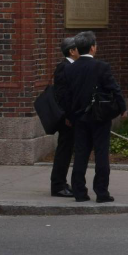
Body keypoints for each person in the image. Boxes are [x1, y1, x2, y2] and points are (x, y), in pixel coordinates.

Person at [58, 30, 125, 204]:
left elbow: (65, 95)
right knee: (101, 154)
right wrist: (122, 107)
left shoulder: (70, 68)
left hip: (79, 118)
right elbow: (114, 88)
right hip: (100, 117)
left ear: (78, 49)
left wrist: (69, 115)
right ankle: (101, 192)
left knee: (80, 154)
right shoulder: (101, 67)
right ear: (93, 48)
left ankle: (80, 191)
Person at [48, 36, 79, 197]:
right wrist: (68, 116)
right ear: (71, 51)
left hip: (70, 117)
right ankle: (58, 185)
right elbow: (62, 95)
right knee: (64, 151)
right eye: (78, 48)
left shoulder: (71, 66)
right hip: (66, 119)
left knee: (67, 150)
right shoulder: (64, 67)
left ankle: (62, 183)